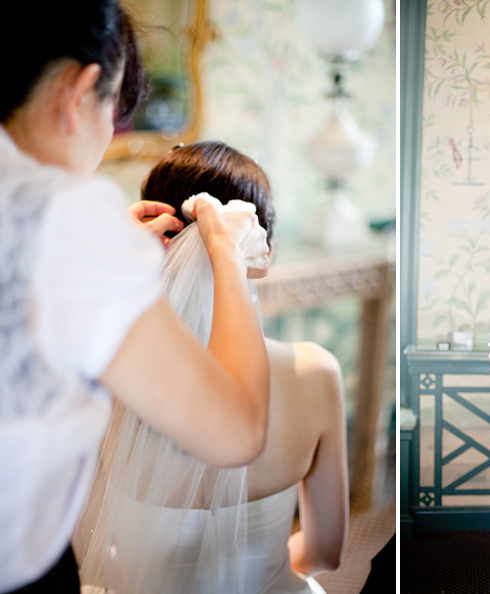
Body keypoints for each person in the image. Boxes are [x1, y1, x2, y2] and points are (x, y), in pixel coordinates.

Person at [0, 4, 272, 591]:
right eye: (116, 115)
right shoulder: (65, 216)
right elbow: (238, 431)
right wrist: (225, 250)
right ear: (82, 90)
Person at [74, 142, 349, 594]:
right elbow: (325, 552)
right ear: (262, 251)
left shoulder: (106, 371)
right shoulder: (317, 372)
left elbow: (86, 547)